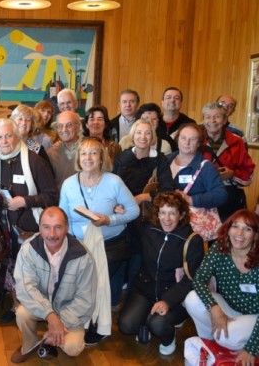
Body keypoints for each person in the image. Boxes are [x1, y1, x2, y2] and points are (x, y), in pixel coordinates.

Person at [59, 137, 139, 343]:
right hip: (79, 245)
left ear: (102, 157)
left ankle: (97, 324)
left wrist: (110, 220)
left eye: (94, 153)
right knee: (82, 287)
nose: (88, 157)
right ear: (78, 158)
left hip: (109, 246)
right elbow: (63, 216)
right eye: (84, 153)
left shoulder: (114, 181)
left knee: (96, 286)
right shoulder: (68, 184)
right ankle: (83, 322)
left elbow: (133, 210)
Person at [118, 192, 204, 356]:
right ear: (157, 214)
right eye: (163, 212)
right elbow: (130, 214)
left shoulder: (192, 241)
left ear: (182, 214)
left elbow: (191, 280)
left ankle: (168, 338)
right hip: (145, 289)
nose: (167, 218)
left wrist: (167, 301)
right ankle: (145, 321)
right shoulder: (149, 230)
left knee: (158, 324)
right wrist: (122, 209)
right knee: (126, 325)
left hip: (174, 295)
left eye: (172, 213)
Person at [0, 118, 58, 324]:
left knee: (31, 271)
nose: (4, 141)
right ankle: (15, 306)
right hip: (6, 227)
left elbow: (52, 196)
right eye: (0, 137)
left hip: (31, 227)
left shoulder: (34, 161)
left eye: (8, 135)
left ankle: (35, 309)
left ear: (17, 136)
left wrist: (26, 201)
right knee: (13, 268)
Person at [11, 207, 97, 363]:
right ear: (39, 228)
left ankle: (49, 338)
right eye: (46, 227)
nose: (52, 234)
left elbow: (86, 298)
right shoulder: (28, 249)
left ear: (67, 228)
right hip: (41, 304)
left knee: (73, 348)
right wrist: (51, 317)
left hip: (68, 309)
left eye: (58, 227)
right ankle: (29, 344)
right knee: (22, 313)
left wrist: (60, 322)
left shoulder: (82, 256)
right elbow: (25, 288)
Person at [185, 209, 259, 365]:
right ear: (228, 228)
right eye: (235, 226)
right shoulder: (220, 248)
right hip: (231, 309)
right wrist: (214, 308)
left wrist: (252, 348)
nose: (239, 233)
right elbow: (199, 279)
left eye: (248, 229)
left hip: (255, 316)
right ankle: (210, 342)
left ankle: (231, 338)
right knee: (192, 299)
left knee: (227, 337)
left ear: (255, 235)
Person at [113, 119, 174, 288]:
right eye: (139, 132)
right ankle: (117, 297)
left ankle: (134, 293)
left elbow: (168, 190)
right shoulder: (123, 157)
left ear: (153, 137)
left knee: (138, 257)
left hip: (146, 218)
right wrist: (115, 204)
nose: (143, 137)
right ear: (133, 136)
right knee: (120, 254)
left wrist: (144, 197)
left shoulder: (160, 160)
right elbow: (111, 186)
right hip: (122, 213)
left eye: (148, 133)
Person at [200, 102, 255, 221]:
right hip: (200, 198)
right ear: (203, 120)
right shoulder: (196, 140)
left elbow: (249, 173)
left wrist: (233, 174)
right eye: (208, 117)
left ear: (225, 120)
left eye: (217, 117)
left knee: (226, 235)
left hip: (228, 200)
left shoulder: (236, 141)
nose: (212, 120)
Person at [167, 122, 227, 212]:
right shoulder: (166, 160)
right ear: (177, 139)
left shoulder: (206, 166)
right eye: (183, 138)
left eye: (193, 139)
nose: (187, 142)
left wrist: (191, 200)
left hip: (193, 219)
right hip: (167, 217)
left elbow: (221, 194)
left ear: (199, 143)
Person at [47, 111, 82, 189]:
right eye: (60, 126)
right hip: (58, 200)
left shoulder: (88, 151)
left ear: (78, 127)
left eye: (69, 125)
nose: (64, 129)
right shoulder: (51, 153)